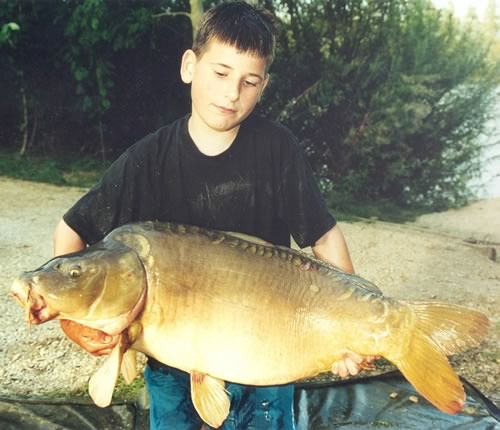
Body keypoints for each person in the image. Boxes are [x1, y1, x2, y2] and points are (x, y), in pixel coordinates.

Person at [53, 2, 373, 429]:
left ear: (263, 87)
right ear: (190, 65)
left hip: (263, 349)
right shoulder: (148, 158)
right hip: (171, 357)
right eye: (220, 73)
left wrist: (355, 319)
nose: (231, 92)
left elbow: (324, 235)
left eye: (249, 81)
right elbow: (71, 233)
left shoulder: (277, 150)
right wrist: (76, 324)